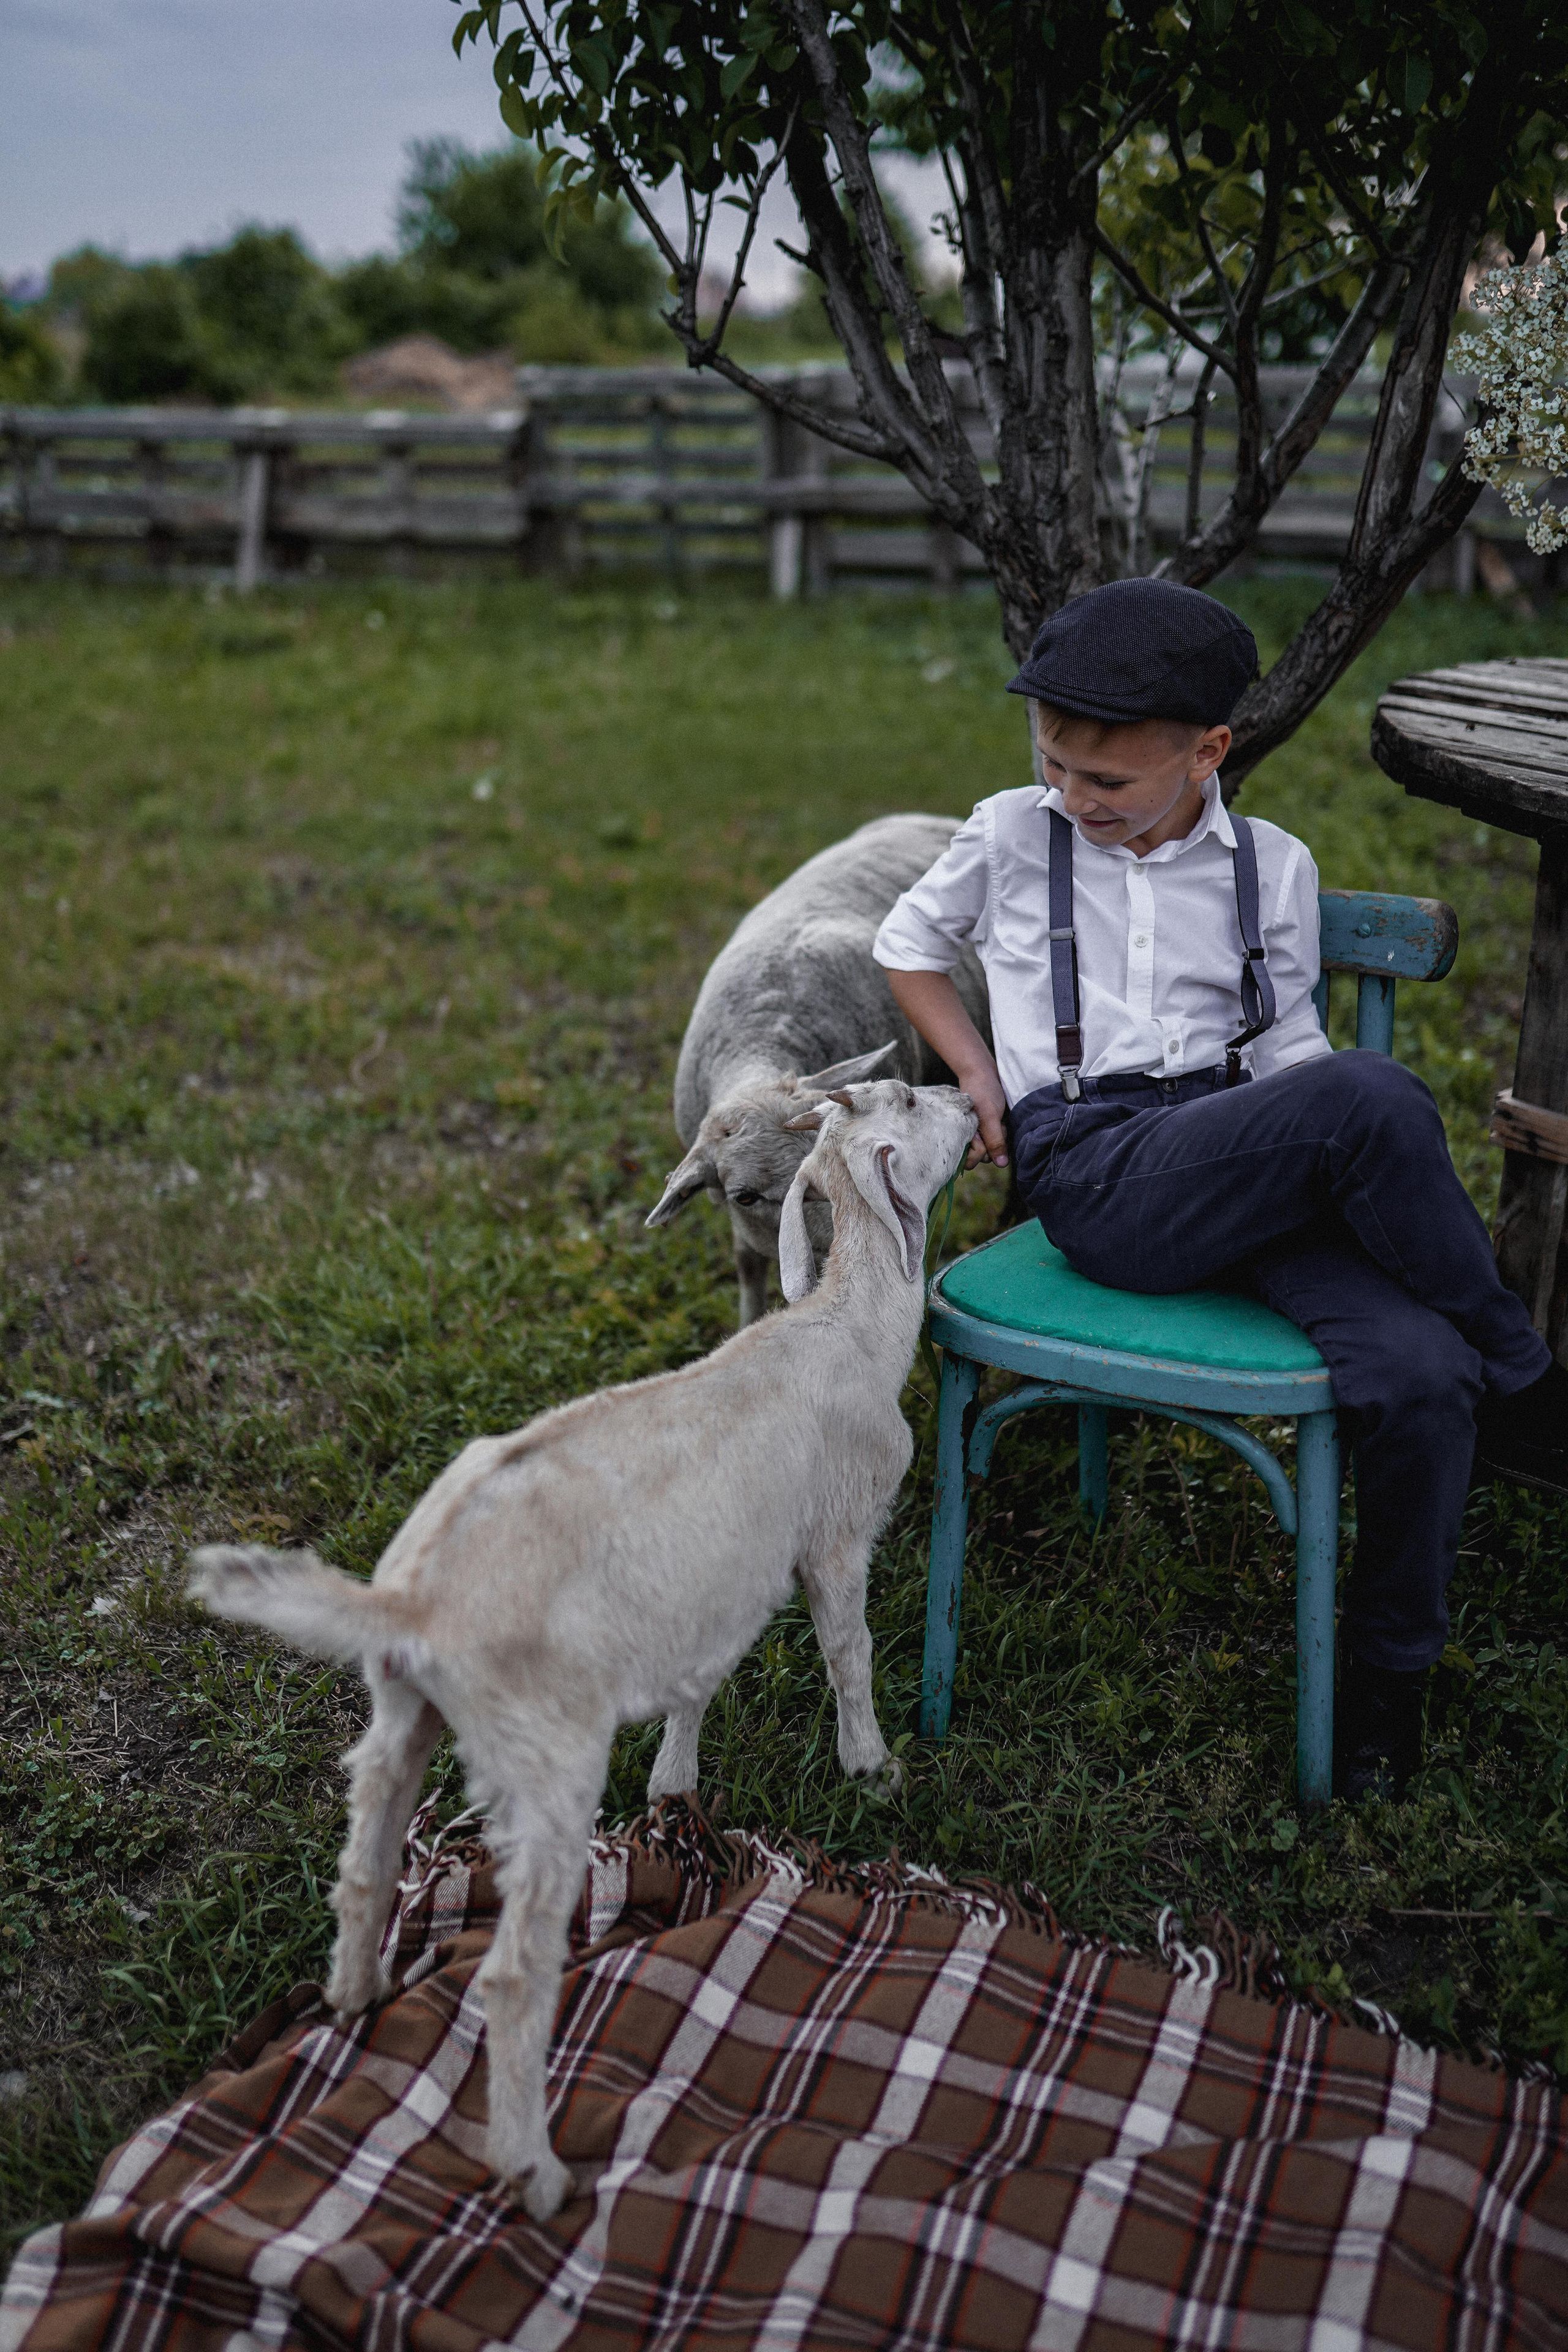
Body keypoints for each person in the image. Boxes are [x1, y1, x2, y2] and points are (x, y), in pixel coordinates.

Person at [873, 576, 1567, 1801]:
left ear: (1207, 751)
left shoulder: (1272, 868)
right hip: (1098, 1171)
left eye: (1109, 782)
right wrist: (980, 1075)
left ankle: (1379, 1687)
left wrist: (1310, 1147)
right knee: (1372, 1097)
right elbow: (905, 946)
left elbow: (1285, 1059)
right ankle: (1526, 1373)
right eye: (1056, 767)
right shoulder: (1008, 834)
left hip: (1242, 1156)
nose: (1074, 799)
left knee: (1416, 1374)